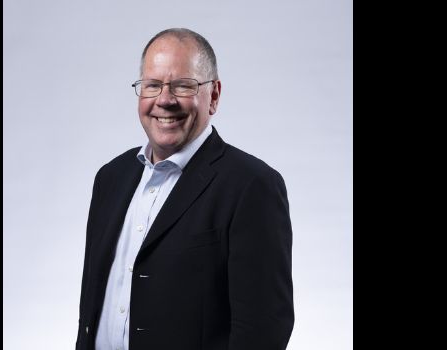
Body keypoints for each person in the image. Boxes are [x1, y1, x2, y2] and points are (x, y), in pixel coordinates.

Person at [76, 28, 294, 350]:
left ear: (214, 95)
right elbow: (92, 307)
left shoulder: (252, 186)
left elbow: (263, 330)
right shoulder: (110, 178)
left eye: (183, 86)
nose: (164, 100)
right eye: (152, 85)